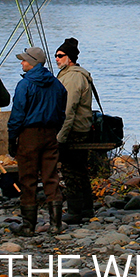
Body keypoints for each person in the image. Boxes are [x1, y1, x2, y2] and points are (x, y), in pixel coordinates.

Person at [7, 46, 67, 236]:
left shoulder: (24, 85)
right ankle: (56, 224)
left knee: (28, 178)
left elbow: (17, 114)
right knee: (51, 177)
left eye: (24, 60)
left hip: (28, 135)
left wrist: (12, 137)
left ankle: (28, 226)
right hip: (50, 134)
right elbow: (61, 112)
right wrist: (55, 129)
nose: (22, 62)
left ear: (32, 62)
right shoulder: (57, 84)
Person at [54, 37, 95, 224]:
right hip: (80, 128)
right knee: (80, 169)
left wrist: (60, 137)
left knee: (71, 171)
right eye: (55, 56)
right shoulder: (71, 74)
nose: (57, 59)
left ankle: (74, 211)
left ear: (70, 58)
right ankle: (87, 208)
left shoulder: (72, 77)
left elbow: (68, 110)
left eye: (60, 56)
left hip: (74, 131)